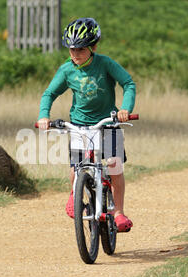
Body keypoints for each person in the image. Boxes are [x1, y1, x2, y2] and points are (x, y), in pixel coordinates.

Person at [37, 17, 135, 232]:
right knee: (76, 168)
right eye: (71, 49)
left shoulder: (105, 63)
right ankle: (75, 194)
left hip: (108, 122)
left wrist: (124, 109)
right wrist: (44, 116)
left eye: (80, 49)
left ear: (94, 47)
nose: (75, 54)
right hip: (80, 125)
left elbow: (128, 83)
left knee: (114, 165)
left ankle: (118, 212)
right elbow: (50, 93)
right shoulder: (66, 70)